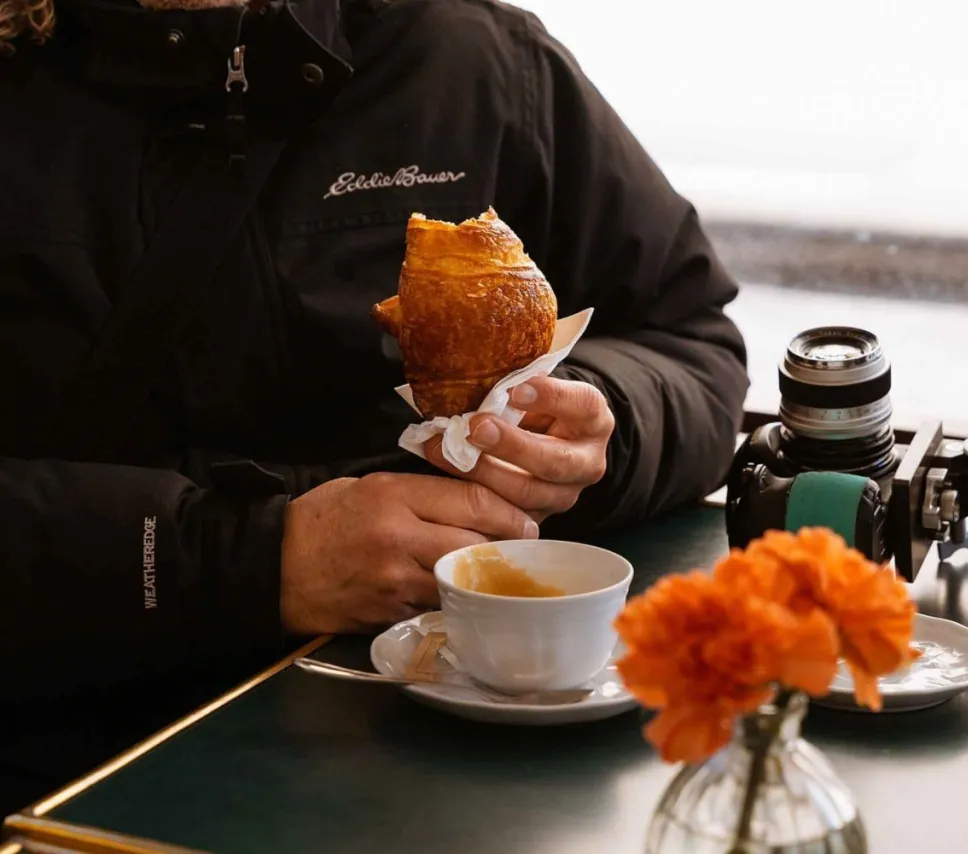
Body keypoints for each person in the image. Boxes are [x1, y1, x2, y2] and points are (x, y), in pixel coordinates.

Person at [0, 0, 748, 811]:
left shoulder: (471, 59)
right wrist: (247, 561)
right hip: (71, 764)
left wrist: (598, 424)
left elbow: (688, 340)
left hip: (471, 750)